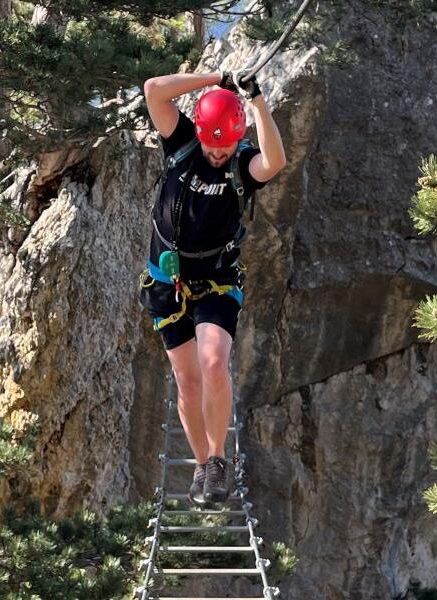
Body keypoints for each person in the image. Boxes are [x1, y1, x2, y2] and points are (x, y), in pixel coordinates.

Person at [138, 70, 286, 507]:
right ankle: (202, 465)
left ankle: (219, 459)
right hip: (167, 280)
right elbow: (153, 91)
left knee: (213, 361)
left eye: (225, 145)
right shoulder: (183, 143)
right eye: (212, 144)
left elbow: (274, 161)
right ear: (200, 133)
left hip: (218, 280)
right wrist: (216, 77)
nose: (218, 153)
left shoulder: (242, 163)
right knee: (187, 381)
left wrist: (256, 100)